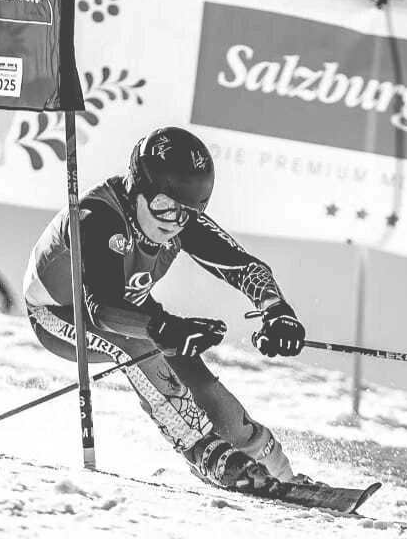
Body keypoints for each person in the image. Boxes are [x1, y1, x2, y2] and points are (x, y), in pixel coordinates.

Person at [22, 126, 308, 495]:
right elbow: (103, 311)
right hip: (60, 313)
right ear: (135, 186)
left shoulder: (179, 220)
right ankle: (203, 451)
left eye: (188, 213)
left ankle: (280, 473)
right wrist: (166, 327)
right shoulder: (97, 218)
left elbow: (244, 267)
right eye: (163, 206)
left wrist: (277, 310)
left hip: (132, 309)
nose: (173, 221)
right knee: (136, 343)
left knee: (194, 372)